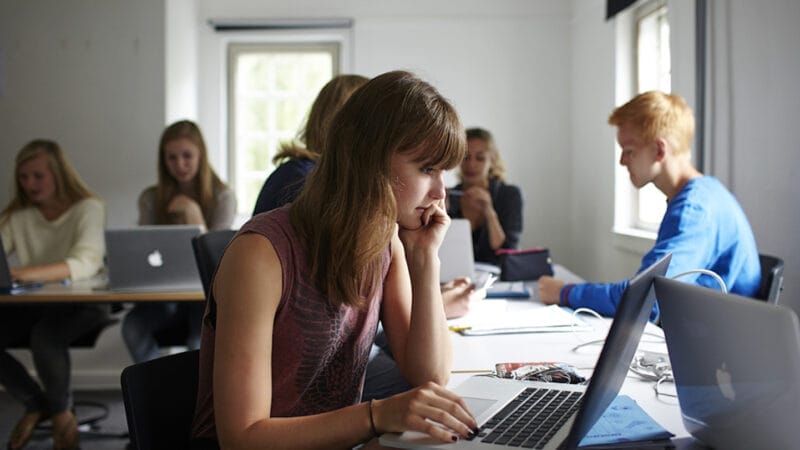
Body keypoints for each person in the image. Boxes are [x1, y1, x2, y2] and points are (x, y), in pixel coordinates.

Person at [190, 70, 478, 449]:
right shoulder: (260, 255)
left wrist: (425, 259)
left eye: (443, 172)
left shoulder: (385, 239)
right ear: (369, 159)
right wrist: (376, 416)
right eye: (427, 169)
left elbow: (432, 373)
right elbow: (241, 438)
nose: (441, 191)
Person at [538, 90, 761, 319]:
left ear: (659, 149)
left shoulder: (693, 211)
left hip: (712, 345)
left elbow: (646, 301)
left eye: (629, 151)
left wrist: (564, 292)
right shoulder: (707, 194)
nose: (622, 161)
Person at [0, 140, 106, 450]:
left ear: (59, 174)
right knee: (37, 329)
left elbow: (86, 262)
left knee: (46, 336)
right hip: (35, 305)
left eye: (38, 176)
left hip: (84, 305)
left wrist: (21, 273)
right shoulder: (17, 215)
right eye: (23, 177)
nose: (29, 184)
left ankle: (61, 415)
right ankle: (36, 402)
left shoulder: (89, 208)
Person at [122, 120, 236, 363]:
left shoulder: (222, 197)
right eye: (171, 158)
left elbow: (216, 258)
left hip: (203, 295)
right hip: (162, 292)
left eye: (187, 156)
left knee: (199, 340)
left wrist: (192, 212)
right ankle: (155, 389)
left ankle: (190, 398)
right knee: (132, 328)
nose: (179, 164)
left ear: (201, 156)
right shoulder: (151, 198)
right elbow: (143, 250)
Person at [447, 127, 523, 266]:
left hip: (499, 278)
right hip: (457, 277)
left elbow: (509, 252)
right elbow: (445, 252)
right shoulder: (448, 197)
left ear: (492, 161)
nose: (471, 164)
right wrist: (440, 212)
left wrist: (489, 212)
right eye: (465, 157)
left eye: (480, 158)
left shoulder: (509, 195)